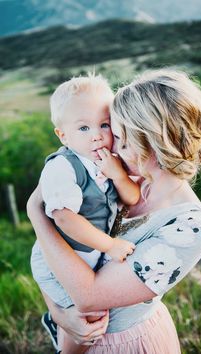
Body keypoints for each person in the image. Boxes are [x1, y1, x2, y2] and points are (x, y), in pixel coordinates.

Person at [27, 68, 201, 354]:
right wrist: (58, 315)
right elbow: (55, 253)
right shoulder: (123, 178)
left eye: (119, 138)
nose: (109, 146)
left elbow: (89, 296)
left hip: (130, 344)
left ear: (154, 143)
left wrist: (35, 212)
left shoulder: (192, 224)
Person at [30, 75, 139, 347]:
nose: (96, 135)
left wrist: (119, 177)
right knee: (85, 315)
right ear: (62, 134)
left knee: (96, 305)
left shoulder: (109, 161)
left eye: (104, 125)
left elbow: (132, 198)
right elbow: (64, 218)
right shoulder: (63, 167)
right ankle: (61, 335)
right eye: (83, 128)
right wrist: (110, 245)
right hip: (57, 259)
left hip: (86, 253)